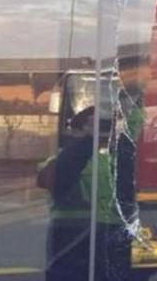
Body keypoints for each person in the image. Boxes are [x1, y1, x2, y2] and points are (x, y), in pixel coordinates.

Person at [37, 103, 139, 281]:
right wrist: (85, 141)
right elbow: (49, 179)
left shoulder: (114, 161)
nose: (102, 130)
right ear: (78, 129)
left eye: (106, 124)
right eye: (96, 124)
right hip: (71, 234)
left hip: (108, 232)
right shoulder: (61, 160)